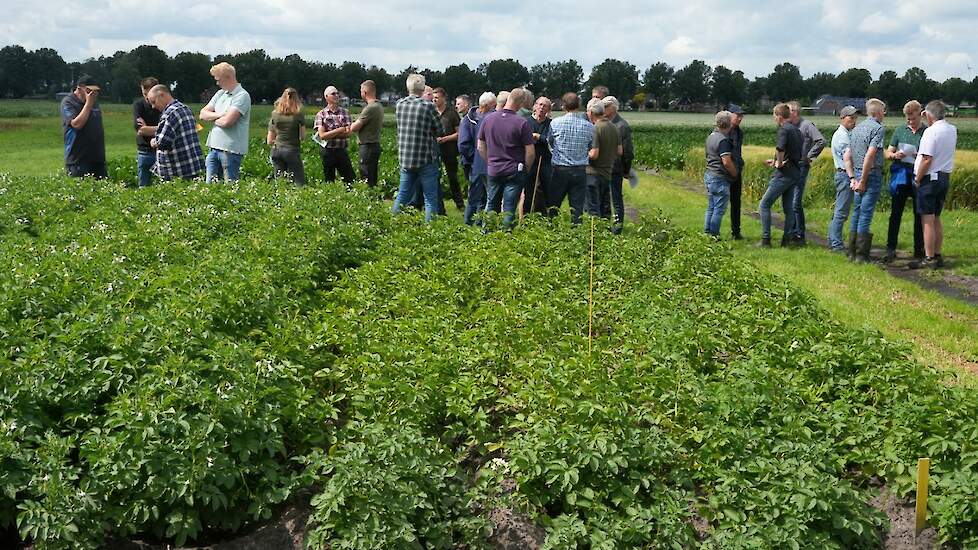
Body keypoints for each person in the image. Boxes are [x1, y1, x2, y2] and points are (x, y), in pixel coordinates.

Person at [477, 88, 535, 230]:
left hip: (494, 169)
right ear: (521, 104)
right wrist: (526, 168)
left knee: (491, 204)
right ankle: (505, 235)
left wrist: (489, 161)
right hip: (514, 169)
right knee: (509, 207)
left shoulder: (488, 119)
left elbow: (480, 146)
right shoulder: (522, 123)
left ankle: (487, 234)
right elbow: (530, 152)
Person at [910, 100, 957, 269]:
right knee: (936, 217)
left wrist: (917, 178)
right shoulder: (952, 130)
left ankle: (929, 258)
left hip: (930, 178)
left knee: (927, 219)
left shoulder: (930, 132)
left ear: (929, 115)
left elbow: (927, 158)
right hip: (944, 176)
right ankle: (937, 254)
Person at [391, 74, 443, 222]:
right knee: (430, 198)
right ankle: (430, 229)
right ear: (422, 88)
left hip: (406, 158)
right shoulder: (428, 106)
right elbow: (440, 129)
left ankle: (392, 223)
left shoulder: (399, 104)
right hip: (425, 157)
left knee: (403, 195)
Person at [883, 100, 927, 263]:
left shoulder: (926, 132)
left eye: (913, 118)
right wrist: (894, 155)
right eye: (907, 119)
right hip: (901, 173)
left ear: (919, 115)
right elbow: (888, 152)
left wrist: (919, 156)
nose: (910, 121)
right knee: (896, 213)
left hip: (918, 175)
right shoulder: (899, 130)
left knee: (918, 213)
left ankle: (918, 249)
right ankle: (890, 248)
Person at [847, 98, 887, 262]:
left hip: (856, 172)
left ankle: (851, 251)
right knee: (865, 213)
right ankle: (862, 255)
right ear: (878, 112)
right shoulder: (878, 129)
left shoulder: (857, 128)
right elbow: (870, 155)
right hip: (870, 174)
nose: (884, 114)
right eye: (883, 111)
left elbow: (847, 155)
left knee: (856, 211)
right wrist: (863, 180)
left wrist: (853, 178)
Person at [758, 103, 802, 248]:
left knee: (764, 205)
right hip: (795, 173)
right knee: (788, 208)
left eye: (774, 116)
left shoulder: (784, 130)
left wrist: (780, 163)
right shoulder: (796, 130)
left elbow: (781, 147)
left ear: (779, 116)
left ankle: (766, 240)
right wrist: (777, 160)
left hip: (783, 174)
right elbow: (794, 152)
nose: (774, 119)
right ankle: (786, 240)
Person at [199, 62, 251, 183]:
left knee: (230, 185)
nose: (217, 83)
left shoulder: (242, 95)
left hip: (230, 150)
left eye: (218, 79)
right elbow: (202, 113)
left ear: (228, 77)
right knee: (210, 185)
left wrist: (212, 118)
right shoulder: (220, 94)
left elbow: (228, 122)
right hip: (214, 147)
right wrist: (220, 115)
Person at [547, 92, 593, 223]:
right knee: (577, 208)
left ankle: (551, 232)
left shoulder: (555, 123)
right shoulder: (588, 126)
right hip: (579, 170)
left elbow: (550, 142)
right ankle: (576, 234)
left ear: (563, 106)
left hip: (559, 169)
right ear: (578, 105)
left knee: (554, 205)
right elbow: (590, 146)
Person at [787, 101, 827, 245]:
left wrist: (808, 157)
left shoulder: (807, 125)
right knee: (790, 200)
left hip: (801, 167)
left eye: (788, 111)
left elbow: (821, 141)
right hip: (790, 167)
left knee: (795, 202)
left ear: (795, 112)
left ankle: (800, 234)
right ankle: (792, 232)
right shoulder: (789, 126)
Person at [146, 84, 204, 180]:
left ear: (162, 95)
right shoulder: (185, 108)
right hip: (192, 165)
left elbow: (162, 142)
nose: (153, 106)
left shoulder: (169, 113)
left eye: (153, 102)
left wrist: (153, 142)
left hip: (177, 170)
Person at [459, 92, 495, 225]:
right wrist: (475, 159)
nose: (495, 109)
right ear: (485, 106)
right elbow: (463, 144)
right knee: (475, 195)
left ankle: (479, 222)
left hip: (484, 163)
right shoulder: (468, 120)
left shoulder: (488, 118)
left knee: (484, 196)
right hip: (474, 164)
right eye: (493, 106)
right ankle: (468, 223)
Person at [827, 106, 859, 252]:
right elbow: (848, 158)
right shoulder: (842, 136)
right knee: (842, 211)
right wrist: (852, 176)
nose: (853, 121)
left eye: (855, 118)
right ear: (842, 118)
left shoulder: (845, 134)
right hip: (845, 174)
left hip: (843, 174)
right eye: (850, 118)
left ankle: (832, 239)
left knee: (840, 210)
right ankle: (836, 244)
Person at [61, 74, 106, 178]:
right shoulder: (68, 102)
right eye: (89, 90)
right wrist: (89, 104)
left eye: (95, 91)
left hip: (97, 158)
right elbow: (77, 124)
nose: (92, 94)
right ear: (80, 88)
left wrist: (90, 102)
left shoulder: (94, 103)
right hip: (78, 160)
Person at [584, 98, 622, 220]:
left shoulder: (596, 128)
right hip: (607, 172)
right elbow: (619, 151)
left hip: (593, 174)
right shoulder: (613, 127)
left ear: (590, 112)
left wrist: (583, 153)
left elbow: (594, 154)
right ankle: (606, 234)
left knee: (593, 210)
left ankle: (594, 236)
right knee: (605, 209)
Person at [703, 111, 738, 237]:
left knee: (711, 207)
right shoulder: (724, 141)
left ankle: (707, 233)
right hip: (719, 177)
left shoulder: (711, 136)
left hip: (709, 174)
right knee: (719, 209)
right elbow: (726, 162)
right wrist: (735, 173)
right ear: (729, 124)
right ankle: (714, 236)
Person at [603, 96, 633, 234]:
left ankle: (617, 228)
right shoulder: (603, 122)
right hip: (601, 168)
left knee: (615, 198)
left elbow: (627, 151)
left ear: (613, 108)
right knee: (603, 197)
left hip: (614, 168)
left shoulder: (622, 126)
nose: (602, 109)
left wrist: (626, 170)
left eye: (605, 106)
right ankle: (604, 225)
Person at [315, 85, 355, 187]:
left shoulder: (345, 112)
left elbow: (349, 133)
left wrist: (331, 133)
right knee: (329, 180)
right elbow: (322, 135)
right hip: (327, 151)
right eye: (333, 94)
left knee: (350, 179)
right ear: (326, 97)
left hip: (341, 150)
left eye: (337, 93)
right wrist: (340, 129)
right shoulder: (321, 114)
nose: (337, 95)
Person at [266, 87, 307, 186]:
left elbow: (269, 140)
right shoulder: (298, 115)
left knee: (280, 181)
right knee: (298, 181)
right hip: (291, 150)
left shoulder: (275, 114)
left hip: (277, 150)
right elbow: (302, 136)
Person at [433, 87, 465, 210]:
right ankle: (438, 204)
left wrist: (445, 139)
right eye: (433, 97)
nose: (434, 100)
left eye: (437, 97)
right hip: (435, 150)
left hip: (449, 150)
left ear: (443, 98)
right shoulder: (432, 111)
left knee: (452, 178)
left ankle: (459, 203)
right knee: (435, 177)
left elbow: (459, 133)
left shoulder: (452, 113)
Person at [349, 79, 384, 187]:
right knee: (373, 175)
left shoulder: (370, 108)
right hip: (375, 144)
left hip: (367, 145)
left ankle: (368, 197)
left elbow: (354, 128)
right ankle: (374, 197)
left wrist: (352, 123)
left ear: (365, 92)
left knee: (366, 174)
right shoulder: (379, 106)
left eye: (361, 91)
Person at [523, 95, 552, 216]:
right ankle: (525, 217)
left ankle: (547, 217)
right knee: (528, 190)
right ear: (535, 106)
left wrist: (538, 136)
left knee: (546, 190)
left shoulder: (550, 124)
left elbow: (549, 140)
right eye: (540, 104)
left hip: (544, 160)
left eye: (545, 106)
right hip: (529, 159)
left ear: (548, 110)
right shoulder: (526, 121)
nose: (541, 108)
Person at [133, 77, 161, 187]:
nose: (146, 97)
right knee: (144, 187)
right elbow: (140, 130)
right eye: (144, 94)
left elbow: (171, 128)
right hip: (144, 151)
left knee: (164, 185)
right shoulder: (138, 105)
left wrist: (149, 128)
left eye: (148, 94)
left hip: (161, 150)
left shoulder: (163, 106)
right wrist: (162, 128)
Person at [727, 104, 746, 239]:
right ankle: (712, 232)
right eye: (737, 115)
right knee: (719, 203)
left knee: (736, 202)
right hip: (726, 171)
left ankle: (736, 231)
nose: (740, 118)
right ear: (729, 115)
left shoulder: (739, 132)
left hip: (737, 171)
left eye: (741, 116)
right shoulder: (724, 131)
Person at [455, 95, 473, 181]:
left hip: (470, 159)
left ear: (466, 104)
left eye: (458, 103)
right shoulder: (466, 118)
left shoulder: (469, 119)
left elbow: (463, 143)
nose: (456, 106)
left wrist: (472, 156)